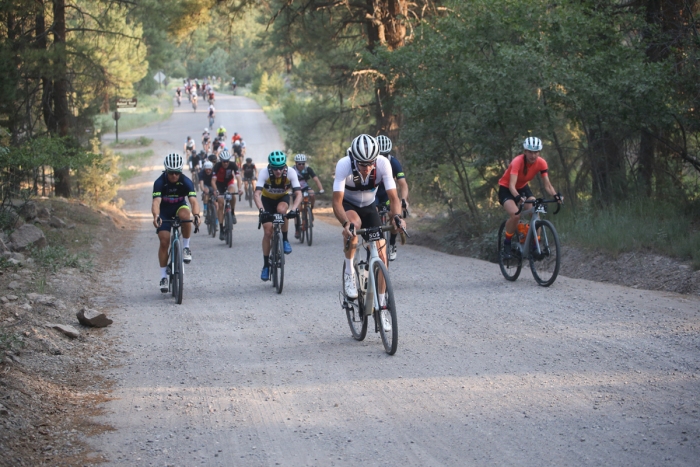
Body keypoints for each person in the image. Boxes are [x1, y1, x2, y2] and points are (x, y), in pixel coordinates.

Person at [332, 134, 405, 300]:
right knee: (354, 225)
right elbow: (336, 202)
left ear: (376, 159)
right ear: (354, 158)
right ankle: (349, 273)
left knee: (382, 256)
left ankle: (382, 304)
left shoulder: (383, 164)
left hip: (370, 206)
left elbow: (394, 198)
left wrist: (397, 217)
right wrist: (345, 223)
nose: (366, 168)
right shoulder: (344, 165)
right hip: (349, 205)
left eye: (370, 163)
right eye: (362, 164)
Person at [498, 136, 563, 258]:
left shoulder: (541, 163)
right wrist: (517, 197)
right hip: (506, 188)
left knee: (536, 208)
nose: (533, 155)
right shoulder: (517, 162)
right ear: (525, 152)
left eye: (536, 152)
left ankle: (535, 245)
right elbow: (512, 185)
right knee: (516, 215)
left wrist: (555, 195)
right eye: (530, 152)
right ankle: (507, 244)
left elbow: (547, 185)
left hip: (523, 187)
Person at [152, 153, 200, 292]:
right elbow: (156, 202)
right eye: (171, 173)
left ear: (181, 171)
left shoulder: (186, 181)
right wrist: (156, 216)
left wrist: (196, 215)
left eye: (177, 173)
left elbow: (193, 201)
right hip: (164, 211)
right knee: (164, 242)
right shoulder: (160, 182)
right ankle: (163, 277)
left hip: (179, 207)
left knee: (186, 216)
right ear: (166, 171)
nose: (174, 176)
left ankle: (185, 247)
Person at [254, 151, 302, 281]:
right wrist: (262, 210)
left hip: (282, 198)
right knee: (268, 233)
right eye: (275, 168)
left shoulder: (291, 172)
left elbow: (298, 194)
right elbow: (257, 194)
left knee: (282, 211)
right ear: (270, 167)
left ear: (285, 166)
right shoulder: (264, 172)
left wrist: (295, 209)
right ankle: (265, 265)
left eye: (281, 168)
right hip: (267, 201)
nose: (278, 171)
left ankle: (285, 239)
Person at [374, 135, 409, 261]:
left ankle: (392, 242)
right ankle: (374, 243)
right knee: (374, 215)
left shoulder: (394, 162)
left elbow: (403, 184)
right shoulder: (370, 161)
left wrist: (404, 199)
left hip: (388, 194)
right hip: (374, 194)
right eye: (379, 154)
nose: (382, 158)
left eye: (385, 154)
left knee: (395, 216)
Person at [290, 153, 325, 239]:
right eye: (299, 163)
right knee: (297, 210)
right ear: (296, 163)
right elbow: (286, 181)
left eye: (303, 163)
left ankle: (310, 210)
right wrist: (289, 190)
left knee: (312, 194)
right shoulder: (291, 170)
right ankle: (297, 229)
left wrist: (321, 189)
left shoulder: (308, 169)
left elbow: (316, 179)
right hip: (295, 189)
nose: (301, 165)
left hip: (305, 187)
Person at [211, 150, 242, 240]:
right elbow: (213, 181)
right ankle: (221, 229)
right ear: (221, 160)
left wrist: (240, 189)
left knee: (232, 193)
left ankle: (232, 212)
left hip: (229, 182)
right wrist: (216, 190)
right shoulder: (217, 166)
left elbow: (238, 178)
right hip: (219, 185)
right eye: (224, 161)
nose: (225, 163)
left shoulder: (233, 165)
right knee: (220, 204)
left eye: (227, 161)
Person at [198, 160, 216, 231]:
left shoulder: (214, 172)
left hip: (213, 185)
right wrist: (203, 189)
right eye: (207, 169)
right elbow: (201, 184)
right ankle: (205, 209)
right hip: (206, 185)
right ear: (204, 169)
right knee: (206, 192)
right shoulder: (201, 173)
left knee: (216, 203)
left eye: (209, 169)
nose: (208, 171)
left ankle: (216, 222)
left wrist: (216, 190)